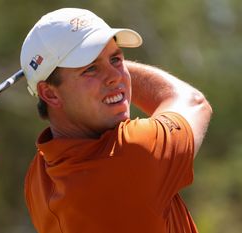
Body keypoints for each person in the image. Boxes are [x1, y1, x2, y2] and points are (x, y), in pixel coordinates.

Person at [20, 8, 212, 233]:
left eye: (116, 59)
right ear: (50, 94)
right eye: (90, 68)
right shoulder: (132, 152)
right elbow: (192, 101)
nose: (116, 76)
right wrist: (112, 64)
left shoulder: (38, 178)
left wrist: (56, 70)